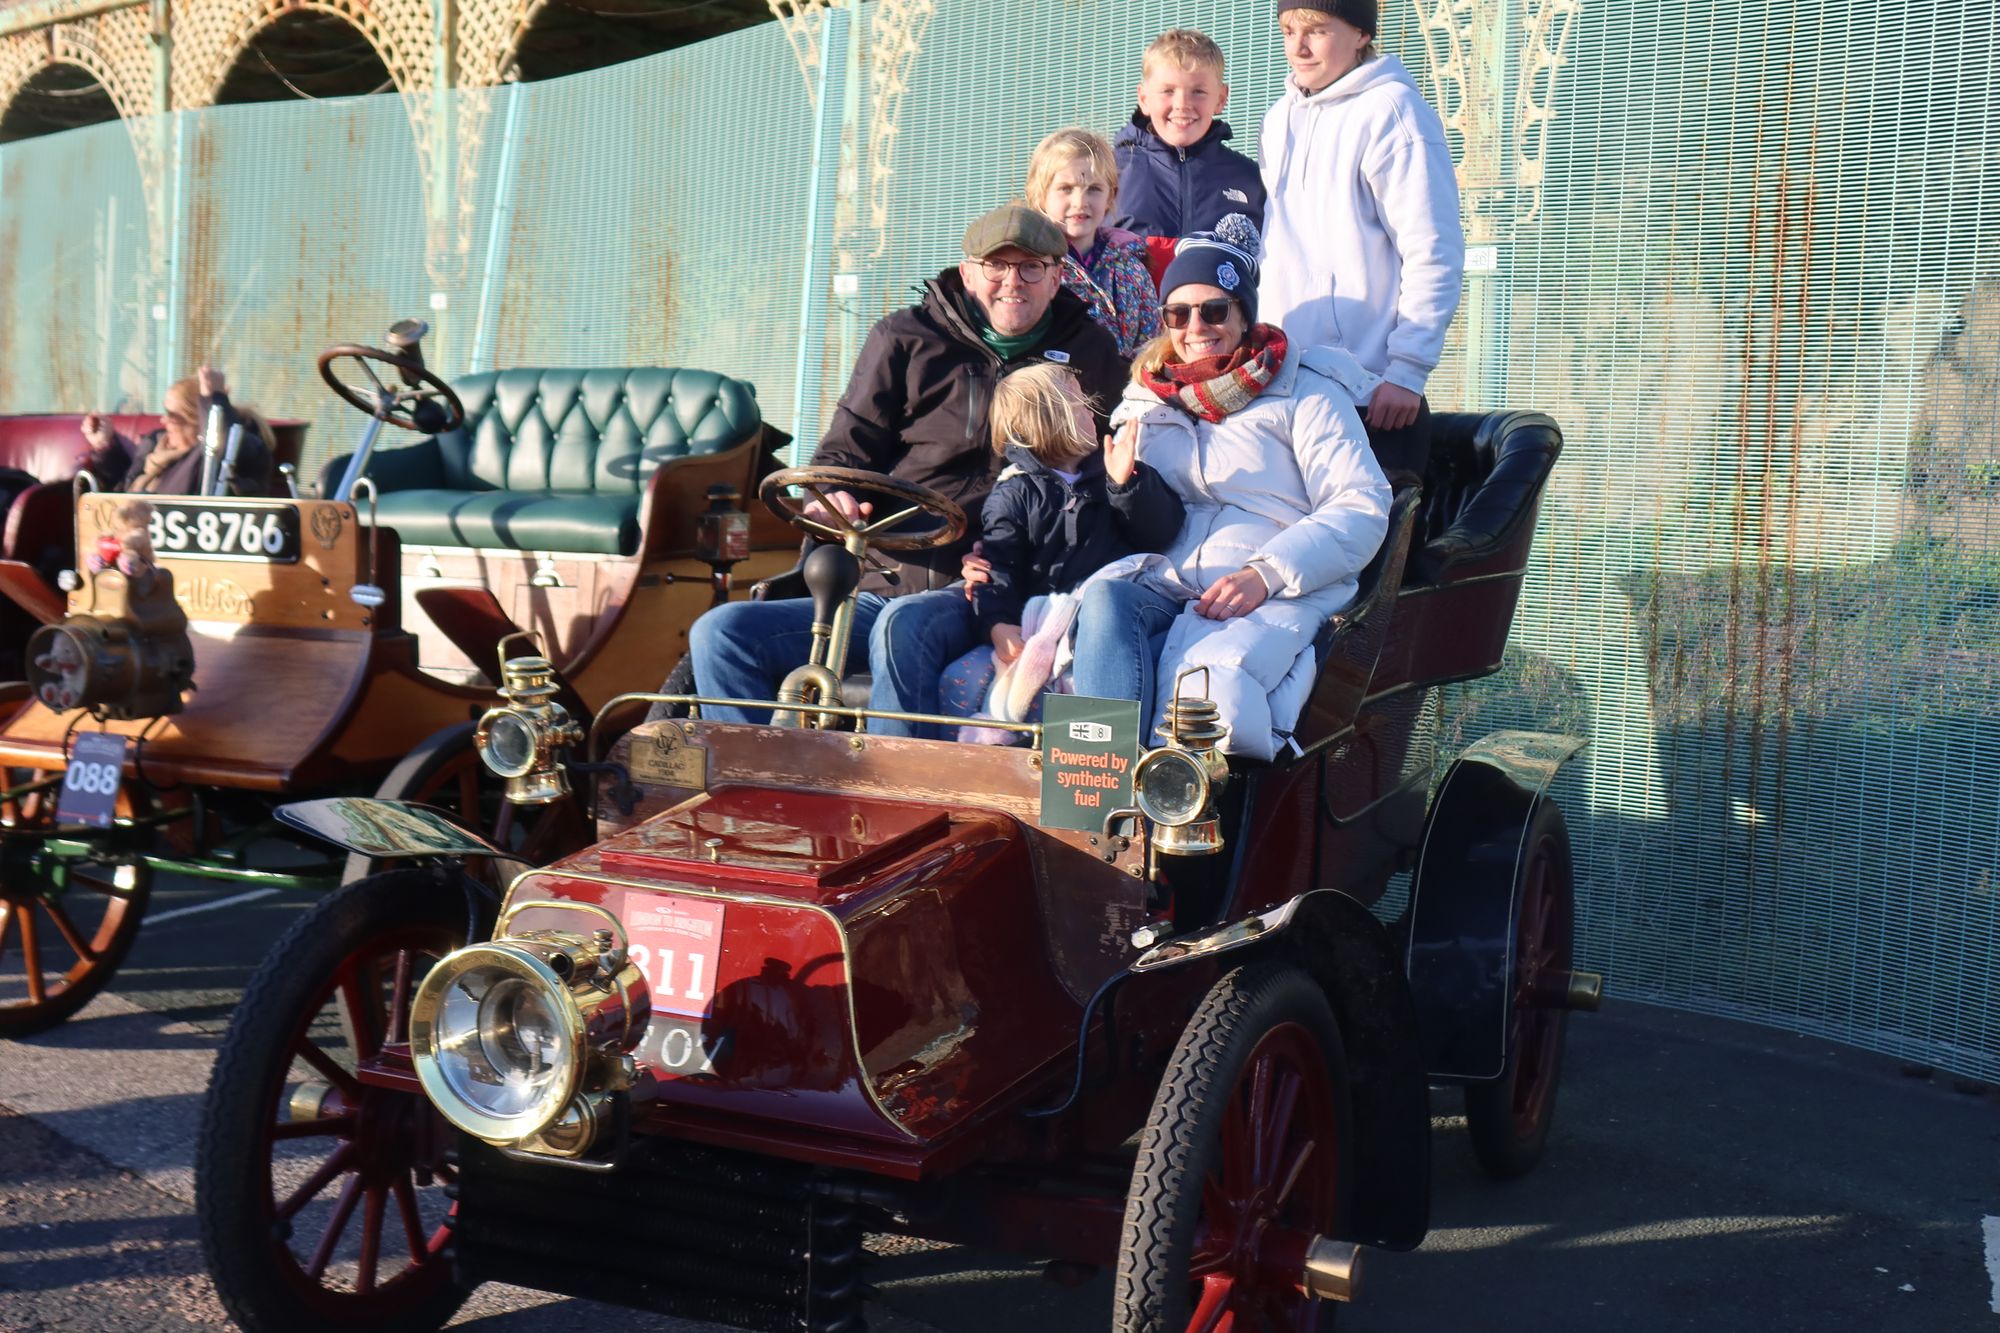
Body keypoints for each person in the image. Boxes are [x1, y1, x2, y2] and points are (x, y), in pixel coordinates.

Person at [683, 204, 1127, 737]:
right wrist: (831, 493)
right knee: (721, 633)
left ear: (1057, 277)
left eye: (1032, 267)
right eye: (997, 266)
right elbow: (842, 453)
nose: (1014, 282)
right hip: (881, 577)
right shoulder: (905, 338)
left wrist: (1032, 562)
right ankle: (752, 799)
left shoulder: (1090, 352)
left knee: (901, 627)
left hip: (990, 587)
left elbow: (1105, 475)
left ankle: (897, 801)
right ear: (968, 272)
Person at [1065, 218, 1391, 758]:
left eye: (1215, 310)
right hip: (1170, 580)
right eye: (1179, 312)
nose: (1197, 326)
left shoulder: (1305, 391)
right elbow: (1146, 524)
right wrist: (1126, 488)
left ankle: (1171, 819)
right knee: (1102, 604)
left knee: (1206, 701)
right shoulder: (1146, 400)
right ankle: (1100, 797)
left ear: (1243, 314)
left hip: (1278, 584)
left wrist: (1266, 573)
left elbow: (1361, 504)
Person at [1256, 0, 1464, 479]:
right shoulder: (1278, 119)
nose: (1299, 47)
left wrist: (1407, 372)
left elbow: (1433, 251)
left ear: (1361, 34)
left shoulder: (1394, 113)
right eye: (1289, 31)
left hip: (1371, 395)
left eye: (1317, 31)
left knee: (1368, 547)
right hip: (1286, 388)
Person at [936, 362, 1183, 741]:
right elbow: (996, 568)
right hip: (1043, 622)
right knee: (962, 683)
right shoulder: (1014, 494)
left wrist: (1126, 485)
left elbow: (1162, 530)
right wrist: (997, 625)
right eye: (1082, 406)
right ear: (1054, 420)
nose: (1092, 411)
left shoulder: (1111, 471)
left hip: (1104, 619)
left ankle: (1102, 761)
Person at [1113, 29, 1267, 287]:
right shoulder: (1111, 171)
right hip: (1130, 323)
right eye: (1167, 91)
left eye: (1198, 92)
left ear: (1221, 98)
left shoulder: (1250, 179)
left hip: (1214, 322)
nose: (1183, 104)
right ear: (1143, 98)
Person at [1026, 128, 1160, 358]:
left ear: (1110, 196)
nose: (1080, 202)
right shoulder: (1029, 267)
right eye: (1065, 189)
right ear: (1040, 195)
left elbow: (1149, 346)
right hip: (1049, 390)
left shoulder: (1132, 269)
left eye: (1094, 189)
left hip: (1119, 389)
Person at [79, 366, 274, 496]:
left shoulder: (219, 453)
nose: (164, 421)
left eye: (172, 415)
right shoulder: (156, 446)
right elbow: (121, 492)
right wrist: (105, 446)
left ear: (198, 420)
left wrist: (215, 399)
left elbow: (225, 451)